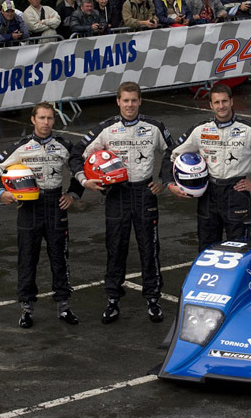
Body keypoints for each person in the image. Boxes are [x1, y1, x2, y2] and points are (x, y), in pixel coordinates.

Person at [69, 81, 174, 324]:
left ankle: (153, 299)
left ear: (140, 101)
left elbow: (175, 151)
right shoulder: (106, 128)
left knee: (150, 248)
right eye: (125, 100)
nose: (129, 105)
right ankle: (113, 300)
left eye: (134, 100)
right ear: (118, 102)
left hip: (144, 192)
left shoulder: (154, 127)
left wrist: (164, 180)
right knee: (115, 248)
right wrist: (85, 181)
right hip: (116, 195)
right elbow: (77, 153)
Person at [0, 102, 84, 329]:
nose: (46, 123)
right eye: (42, 118)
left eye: (49, 118)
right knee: (27, 258)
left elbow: (80, 168)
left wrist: (73, 194)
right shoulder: (21, 147)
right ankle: (26, 308)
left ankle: (64, 306)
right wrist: (1, 193)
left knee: (60, 257)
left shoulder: (64, 146)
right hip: (29, 207)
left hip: (56, 205)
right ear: (33, 120)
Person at [163, 83, 251, 252]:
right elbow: (171, 154)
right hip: (208, 193)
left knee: (240, 247)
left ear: (231, 101)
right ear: (211, 105)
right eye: (217, 102)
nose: (221, 106)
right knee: (207, 248)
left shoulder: (249, 130)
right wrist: (170, 184)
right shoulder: (200, 129)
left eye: (224, 101)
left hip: (236, 193)